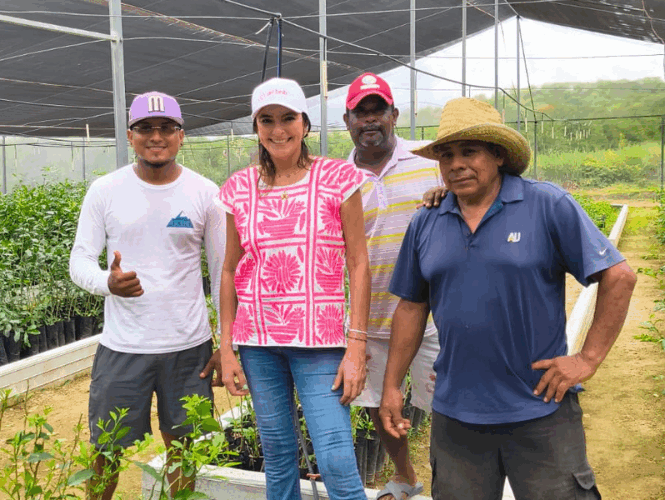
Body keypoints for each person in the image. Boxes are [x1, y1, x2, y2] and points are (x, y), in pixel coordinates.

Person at [379, 97, 637, 500]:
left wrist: (587, 359)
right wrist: (392, 386)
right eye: (446, 155)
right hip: (456, 413)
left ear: (498, 155)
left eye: (470, 151)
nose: (456, 164)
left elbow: (619, 276)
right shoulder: (427, 220)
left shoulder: (546, 204)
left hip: (540, 409)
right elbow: (411, 307)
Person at [217, 77, 371, 500]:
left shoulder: (338, 177)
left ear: (305, 123)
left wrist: (355, 345)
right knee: (278, 451)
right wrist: (227, 346)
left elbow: (359, 263)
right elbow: (229, 270)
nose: (278, 129)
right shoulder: (238, 188)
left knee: (336, 454)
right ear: (256, 127)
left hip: (320, 342)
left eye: (288, 118)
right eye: (267, 120)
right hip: (257, 341)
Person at [69, 91, 225, 500]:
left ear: (181, 135)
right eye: (145, 129)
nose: (156, 136)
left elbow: (225, 271)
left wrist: (226, 343)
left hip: (188, 348)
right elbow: (79, 259)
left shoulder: (205, 193)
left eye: (166, 128)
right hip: (123, 346)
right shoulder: (106, 190)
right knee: (106, 448)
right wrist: (108, 282)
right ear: (130, 135)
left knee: (183, 449)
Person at [343, 72, 444, 500]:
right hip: (366, 320)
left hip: (433, 318)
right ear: (347, 120)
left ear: (394, 115)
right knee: (377, 407)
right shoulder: (337, 179)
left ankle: (454, 482)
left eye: (377, 110)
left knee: (447, 407)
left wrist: (445, 191)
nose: (370, 120)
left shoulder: (430, 166)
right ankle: (405, 478)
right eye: (360, 112)